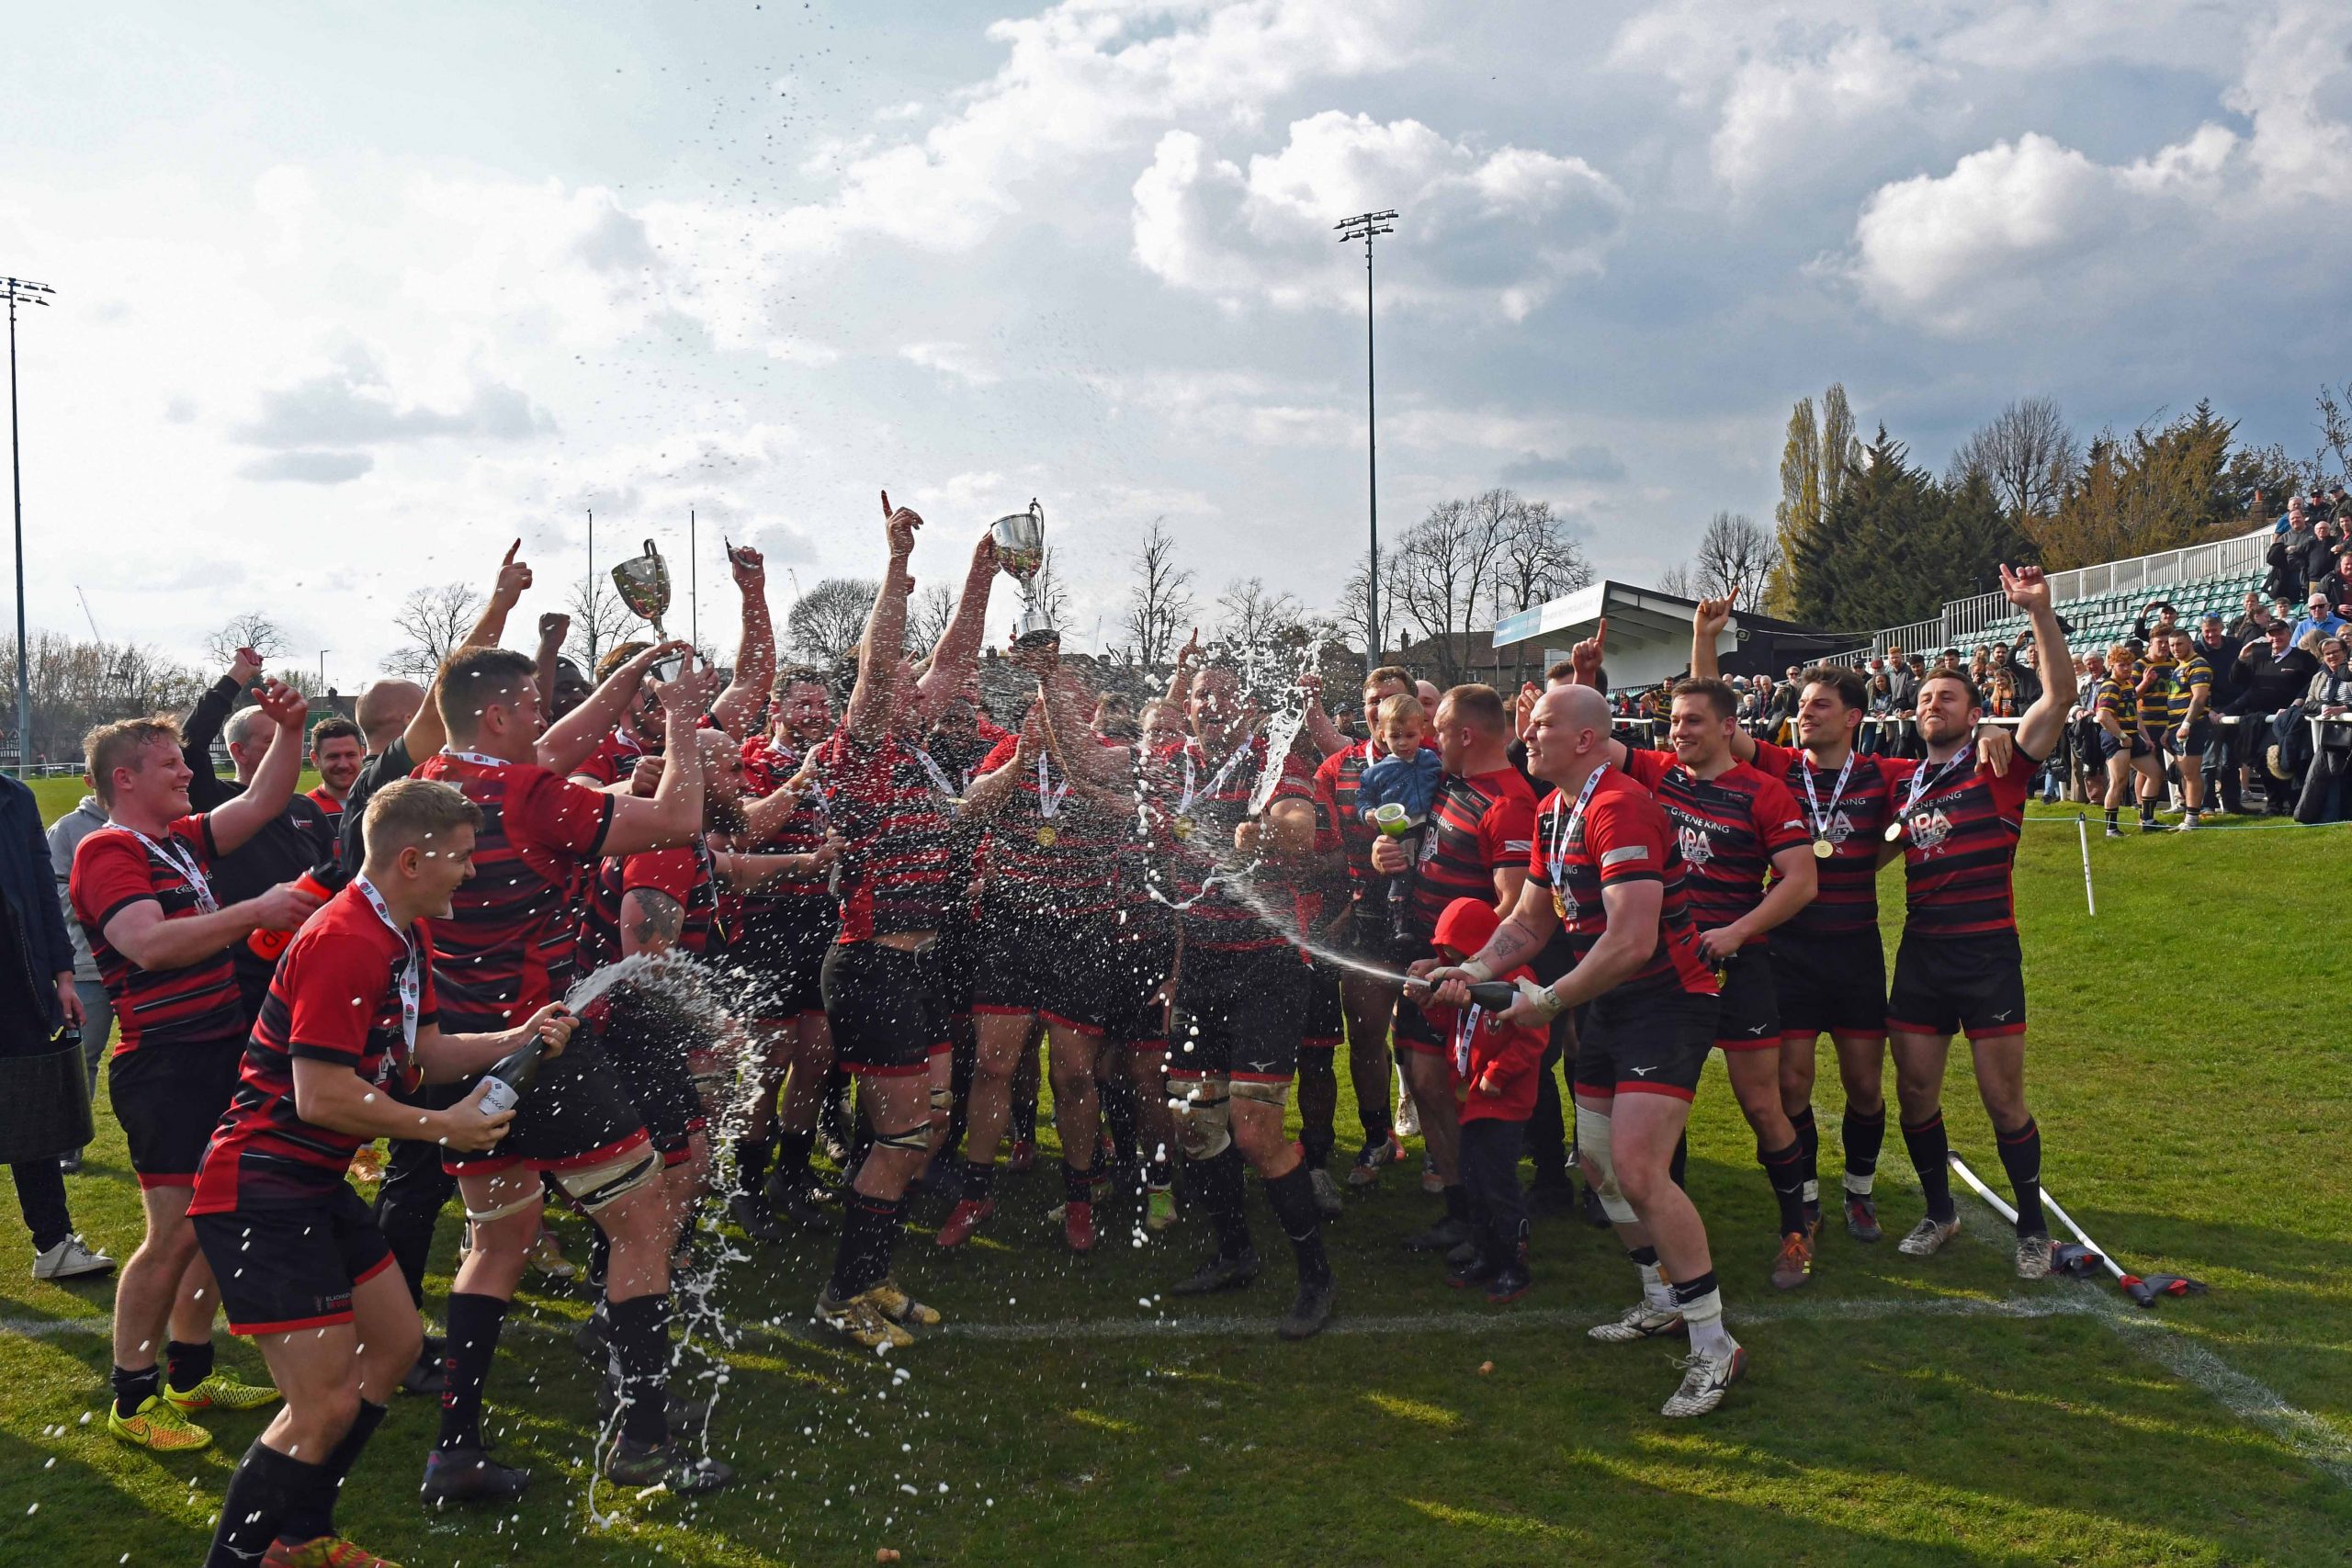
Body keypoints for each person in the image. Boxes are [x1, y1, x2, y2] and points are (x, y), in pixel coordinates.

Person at [187, 778, 576, 1568]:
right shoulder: (346, 939)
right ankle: (237, 1558)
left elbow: (424, 1051)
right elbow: (320, 1093)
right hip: (260, 1184)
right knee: (321, 1401)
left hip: (310, 1182)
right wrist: (446, 1124)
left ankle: (302, 1535)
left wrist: (516, 1034)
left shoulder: (398, 928)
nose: (472, 872)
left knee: (395, 1347)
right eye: (463, 858)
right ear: (410, 859)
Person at [414, 641, 727, 1500]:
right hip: (546, 1046)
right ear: (495, 714)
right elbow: (674, 821)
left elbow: (547, 753)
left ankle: (454, 1445)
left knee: (496, 1242)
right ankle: (646, 1439)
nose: (542, 719)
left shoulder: (436, 780)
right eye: (529, 703)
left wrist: (624, 682)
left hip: (462, 1053)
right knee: (643, 1221)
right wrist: (678, 716)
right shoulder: (527, 797)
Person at [1422, 683, 1741, 1417]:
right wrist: (1471, 970)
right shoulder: (1552, 808)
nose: (1526, 737)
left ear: (1587, 740)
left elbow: (1632, 939)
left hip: (1668, 1003)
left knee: (1638, 1168)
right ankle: (1661, 1295)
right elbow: (1531, 922)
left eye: (1541, 727)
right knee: (1595, 1165)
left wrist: (1551, 1000)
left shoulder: (1618, 806)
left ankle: (1714, 1343)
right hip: (1613, 1001)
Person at [71, 698, 321, 1451]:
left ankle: (191, 1371)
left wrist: (292, 729)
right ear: (125, 777)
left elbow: (263, 799)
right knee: (172, 1233)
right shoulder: (108, 851)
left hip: (216, 1052)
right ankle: (133, 1393)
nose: (188, 769)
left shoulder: (175, 838)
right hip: (165, 1065)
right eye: (172, 761)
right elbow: (148, 945)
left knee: (214, 1219)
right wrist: (257, 910)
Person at [804, 500, 998, 1349]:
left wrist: (981, 577)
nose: (925, 688)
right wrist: (895, 565)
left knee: (925, 1125)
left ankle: (873, 1274)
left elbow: (949, 661)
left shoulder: (920, 747)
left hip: (918, 967)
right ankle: (843, 1293)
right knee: (901, 1136)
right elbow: (884, 666)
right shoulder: (864, 744)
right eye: (902, 684)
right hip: (872, 963)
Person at [1579, 649, 1819, 1289]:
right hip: (1664, 977)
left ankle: (1796, 1226)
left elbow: (1802, 879)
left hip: (1739, 968)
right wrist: (1583, 684)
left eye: (1690, 721)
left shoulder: (1765, 791)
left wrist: (1737, 931)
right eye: (1673, 721)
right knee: (1654, 1106)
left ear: (1726, 727)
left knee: (1763, 1104)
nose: (1677, 731)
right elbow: (1589, 742)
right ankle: (1664, 1237)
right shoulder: (1657, 774)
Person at [1883, 564, 2075, 1280]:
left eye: (1949, 697)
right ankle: (1941, 1210)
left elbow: (2059, 698)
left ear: (1973, 713)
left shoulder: (2002, 765)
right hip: (1922, 955)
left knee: (2002, 1099)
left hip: (1988, 954)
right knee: (1914, 1091)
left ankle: (2032, 1225)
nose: (1933, 703)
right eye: (1926, 696)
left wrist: (2038, 613)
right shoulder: (1901, 781)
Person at [1370, 684, 1537, 1256]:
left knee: (1453, 1087)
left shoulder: (1509, 803)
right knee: (1422, 1081)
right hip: (1428, 959)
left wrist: (1460, 969)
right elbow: (1420, 841)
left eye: (1438, 728)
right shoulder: (1450, 781)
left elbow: (1515, 909)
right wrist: (1385, 851)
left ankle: (1487, 1218)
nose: (1431, 738)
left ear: (1465, 735)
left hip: (1464, 975)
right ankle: (1459, 1208)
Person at [727, 665, 846, 1235]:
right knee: (768, 1062)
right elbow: (744, 835)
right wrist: (799, 778)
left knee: (817, 1059)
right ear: (775, 710)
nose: (815, 715)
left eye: (822, 706)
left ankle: (792, 1175)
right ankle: (746, 1185)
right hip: (770, 928)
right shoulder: (752, 762)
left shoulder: (838, 767)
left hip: (828, 923)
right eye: (803, 705)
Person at [1308, 665, 1421, 1190]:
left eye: (1392, 698)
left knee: (1430, 1041)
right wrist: (1345, 895)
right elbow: (1322, 849)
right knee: (1367, 1034)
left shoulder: (1433, 764)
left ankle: (1447, 1145)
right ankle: (1378, 1139)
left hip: (1426, 920)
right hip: (1365, 921)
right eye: (1373, 700)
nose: (1381, 708)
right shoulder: (1337, 768)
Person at [2, 770, 108, 1280]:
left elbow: (44, 892)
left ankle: (54, 1243)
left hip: (16, 985)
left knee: (33, 1117)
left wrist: (64, 975)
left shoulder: (14, 797)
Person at [1413, 896, 1544, 1303]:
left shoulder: (1517, 980)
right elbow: (1449, 1026)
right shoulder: (1464, 982)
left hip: (1502, 1103)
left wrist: (1495, 1076)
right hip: (1471, 1103)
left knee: (1499, 1186)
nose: (1447, 956)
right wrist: (1427, 1003)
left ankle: (1514, 1267)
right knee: (1473, 1181)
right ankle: (1487, 1256)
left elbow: (1535, 1036)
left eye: (1454, 949)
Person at [47, 783, 118, 1173]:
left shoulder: (152, 819)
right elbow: (51, 898)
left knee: (162, 1052)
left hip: (145, 961)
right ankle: (68, 1142)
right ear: (92, 779)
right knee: (81, 1056)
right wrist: (111, 901)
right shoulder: (67, 830)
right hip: (88, 963)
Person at [1357, 693, 1444, 945]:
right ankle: (1398, 922)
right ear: (1382, 734)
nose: (1403, 743)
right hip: (1400, 830)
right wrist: (1368, 814)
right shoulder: (1376, 772)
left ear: (1422, 731)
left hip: (1430, 827)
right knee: (1402, 875)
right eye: (1395, 736)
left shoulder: (1430, 759)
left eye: (1410, 735)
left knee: (1429, 874)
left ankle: (1428, 920)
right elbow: (1363, 799)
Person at [2094, 645, 2160, 838]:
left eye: (2129, 664)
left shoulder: (2128, 684)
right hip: (2116, 737)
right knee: (2118, 781)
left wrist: (2145, 738)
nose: (2126, 668)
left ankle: (2147, 819)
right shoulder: (2110, 685)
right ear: (2112, 665)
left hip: (2131, 736)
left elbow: (2134, 713)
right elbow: (2104, 716)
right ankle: (2111, 828)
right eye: (2122, 665)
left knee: (2155, 773)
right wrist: (2122, 737)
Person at [2165, 627, 2217, 829]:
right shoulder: (2179, 666)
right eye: (2171, 645)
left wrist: (2186, 724)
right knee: (2184, 774)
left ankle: (2192, 818)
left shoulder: (2198, 664)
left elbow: (2199, 697)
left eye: (2179, 644)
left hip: (2191, 727)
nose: (2175, 649)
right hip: (2176, 726)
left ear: (2190, 643)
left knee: (2191, 774)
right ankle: (2188, 815)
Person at [306, 716, 366, 827]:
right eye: (333, 756)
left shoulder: (379, 805)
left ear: (362, 754)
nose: (343, 765)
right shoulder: (303, 812)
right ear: (315, 758)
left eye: (350, 755)